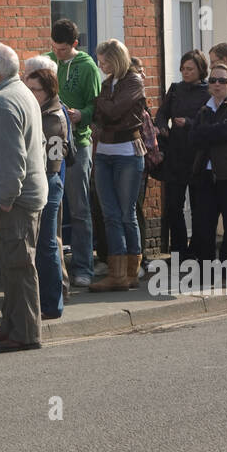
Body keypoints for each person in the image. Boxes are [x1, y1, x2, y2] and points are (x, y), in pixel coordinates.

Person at [0, 45, 48, 353]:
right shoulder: (19, 92)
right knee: (11, 266)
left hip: (17, 201)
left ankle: (25, 334)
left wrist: (4, 199)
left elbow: (12, 161)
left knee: (19, 267)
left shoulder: (5, 102)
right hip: (25, 196)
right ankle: (10, 325)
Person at [88, 39, 147, 291]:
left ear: (117, 59)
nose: (101, 66)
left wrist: (98, 105)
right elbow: (100, 116)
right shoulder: (105, 84)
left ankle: (131, 272)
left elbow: (111, 112)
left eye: (105, 61)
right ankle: (117, 274)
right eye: (99, 62)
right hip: (103, 153)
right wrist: (101, 111)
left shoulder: (133, 81)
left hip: (127, 154)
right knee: (110, 214)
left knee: (126, 213)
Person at [49, 19, 102, 288]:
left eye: (62, 50)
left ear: (75, 45)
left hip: (79, 143)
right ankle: (56, 269)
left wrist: (82, 114)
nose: (57, 54)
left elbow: (97, 106)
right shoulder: (47, 62)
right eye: (54, 48)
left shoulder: (88, 67)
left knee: (79, 207)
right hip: (51, 144)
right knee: (53, 207)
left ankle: (84, 266)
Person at [187, 63, 227, 265]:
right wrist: (214, 131)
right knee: (204, 226)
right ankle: (206, 271)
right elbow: (193, 137)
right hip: (205, 176)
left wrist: (208, 132)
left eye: (222, 80)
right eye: (212, 80)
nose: (217, 84)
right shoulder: (205, 110)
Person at [155, 50, 210, 261]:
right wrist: (161, 126)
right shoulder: (176, 90)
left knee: (198, 207)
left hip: (197, 155)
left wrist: (189, 123)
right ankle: (178, 251)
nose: (185, 72)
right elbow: (162, 113)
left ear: (200, 70)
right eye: (183, 68)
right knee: (173, 206)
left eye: (190, 69)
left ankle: (196, 249)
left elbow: (211, 121)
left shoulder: (207, 92)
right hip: (176, 154)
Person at [25, 66, 68, 319]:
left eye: (35, 90)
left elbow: (53, 161)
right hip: (41, 182)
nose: (30, 94)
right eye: (27, 88)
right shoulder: (39, 110)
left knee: (47, 244)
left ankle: (52, 305)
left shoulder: (53, 119)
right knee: (42, 244)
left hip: (48, 183)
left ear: (48, 91)